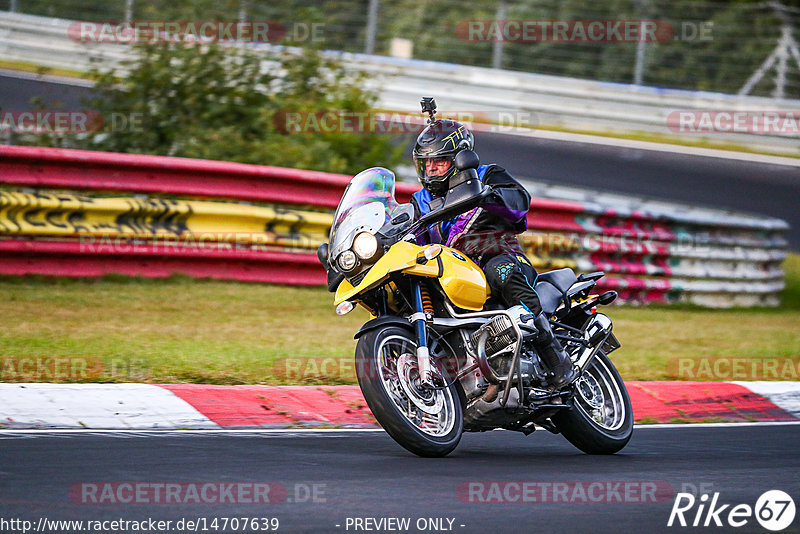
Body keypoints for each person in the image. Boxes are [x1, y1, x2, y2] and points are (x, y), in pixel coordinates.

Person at [410, 117, 577, 389]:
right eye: (425, 163)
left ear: (459, 158)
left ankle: (554, 354)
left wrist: (489, 197)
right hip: (453, 270)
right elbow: (410, 233)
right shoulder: (420, 201)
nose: (430, 170)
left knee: (500, 272)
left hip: (497, 254)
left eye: (437, 162)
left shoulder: (487, 175)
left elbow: (520, 203)